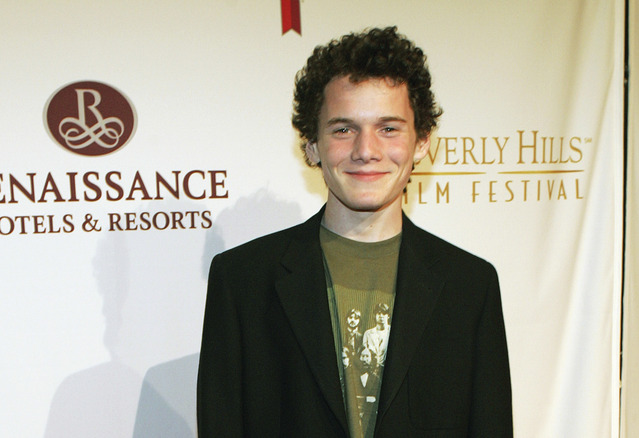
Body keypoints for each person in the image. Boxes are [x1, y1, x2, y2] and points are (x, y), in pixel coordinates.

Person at [197, 26, 513, 437]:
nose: (366, 150)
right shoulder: (242, 280)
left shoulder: (470, 285)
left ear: (422, 143)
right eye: (344, 129)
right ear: (312, 145)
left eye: (389, 128)